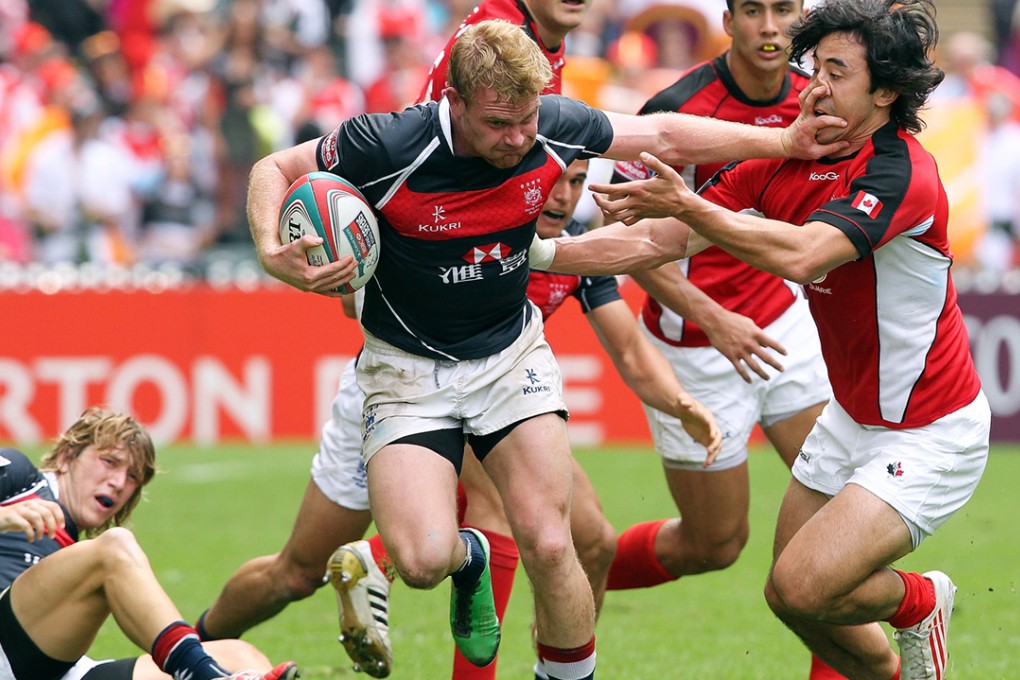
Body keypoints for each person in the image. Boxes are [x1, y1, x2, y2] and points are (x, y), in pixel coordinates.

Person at [243, 18, 845, 680]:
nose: (520, 138)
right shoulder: (389, 142)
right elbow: (276, 166)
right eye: (500, 123)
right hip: (407, 371)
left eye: (528, 119)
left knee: (554, 544)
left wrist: (783, 140)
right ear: (456, 101)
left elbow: (667, 134)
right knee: (418, 562)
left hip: (510, 358)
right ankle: (470, 556)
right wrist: (275, 255)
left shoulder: (554, 124)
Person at [567, 2, 989, 677]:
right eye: (815, 68)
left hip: (930, 430)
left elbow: (803, 256)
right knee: (787, 596)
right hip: (852, 419)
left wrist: (691, 204)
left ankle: (919, 601)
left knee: (804, 584)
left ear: (883, 91)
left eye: (837, 72)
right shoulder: (791, 157)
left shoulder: (903, 171)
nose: (815, 85)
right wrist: (531, 255)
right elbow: (652, 242)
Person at [603, 1, 833, 676]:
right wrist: (713, 317)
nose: (769, 26)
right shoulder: (677, 109)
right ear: (728, 21)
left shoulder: (814, 99)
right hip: (694, 344)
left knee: (838, 510)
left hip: (784, 325)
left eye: (783, 10)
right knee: (715, 543)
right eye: (753, 10)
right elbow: (627, 242)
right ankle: (578, 575)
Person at [0, 406, 299, 680]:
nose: (118, 483)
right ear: (67, 456)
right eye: (109, 461)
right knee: (114, 546)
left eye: (132, 476)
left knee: (241, 656)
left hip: (48, 669)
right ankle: (202, 675)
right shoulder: (20, 476)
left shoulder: (73, 545)